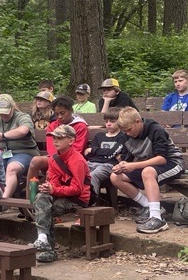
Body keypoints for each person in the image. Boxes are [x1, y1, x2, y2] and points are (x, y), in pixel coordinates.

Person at [108, 108, 184, 234]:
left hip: (172, 163)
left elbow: (162, 159)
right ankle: (150, 207)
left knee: (147, 172)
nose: (127, 133)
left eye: (129, 130)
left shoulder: (155, 130)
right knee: (116, 177)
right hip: (148, 165)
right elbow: (128, 158)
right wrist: (121, 165)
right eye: (124, 131)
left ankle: (157, 219)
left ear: (138, 122)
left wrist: (134, 165)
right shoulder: (126, 135)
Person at [30, 124, 91, 264]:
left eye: (60, 138)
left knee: (46, 210)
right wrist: (49, 187)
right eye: (54, 138)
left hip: (76, 199)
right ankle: (43, 239)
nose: (55, 141)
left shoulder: (78, 160)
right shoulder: (53, 159)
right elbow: (54, 181)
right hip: (60, 195)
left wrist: (54, 190)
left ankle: (48, 249)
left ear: (71, 141)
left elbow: (77, 189)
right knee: (41, 198)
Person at [26, 96, 89, 183]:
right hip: (55, 158)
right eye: (56, 114)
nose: (59, 117)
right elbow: (51, 147)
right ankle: (30, 195)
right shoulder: (53, 126)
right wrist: (53, 164)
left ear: (71, 110)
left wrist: (55, 166)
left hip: (73, 160)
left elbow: (77, 149)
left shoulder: (80, 126)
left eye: (62, 113)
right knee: (36, 161)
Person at [0, 94, 39, 198]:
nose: (3, 115)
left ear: (12, 107)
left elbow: (23, 130)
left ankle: (4, 200)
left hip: (25, 152)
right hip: (3, 153)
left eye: (6, 112)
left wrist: (4, 135)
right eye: (1, 113)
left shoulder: (22, 117)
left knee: (12, 168)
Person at [84, 109, 127, 201]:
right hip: (92, 162)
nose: (108, 124)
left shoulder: (122, 137)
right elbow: (89, 155)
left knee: (93, 175)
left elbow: (111, 152)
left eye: (112, 121)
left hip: (109, 165)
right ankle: (77, 200)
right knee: (78, 171)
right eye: (106, 121)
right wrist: (105, 153)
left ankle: (91, 202)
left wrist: (94, 150)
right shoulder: (99, 136)